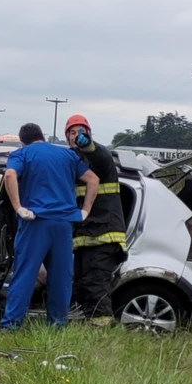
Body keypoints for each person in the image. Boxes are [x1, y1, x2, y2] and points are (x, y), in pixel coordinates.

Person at [0, 122, 99, 330]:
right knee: (61, 277)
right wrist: (85, 210)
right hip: (63, 224)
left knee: (25, 274)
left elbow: (10, 175)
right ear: (42, 136)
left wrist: (18, 207)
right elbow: (93, 180)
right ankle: (57, 324)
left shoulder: (22, 154)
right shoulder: (67, 155)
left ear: (22, 140)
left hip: (35, 222)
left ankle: (11, 325)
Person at [65, 114, 128, 324]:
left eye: (80, 132)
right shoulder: (73, 164)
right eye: (72, 133)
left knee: (95, 283)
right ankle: (88, 324)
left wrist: (87, 144)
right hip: (86, 237)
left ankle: (101, 329)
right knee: (82, 283)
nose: (76, 136)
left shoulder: (100, 159)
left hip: (104, 234)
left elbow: (97, 152)